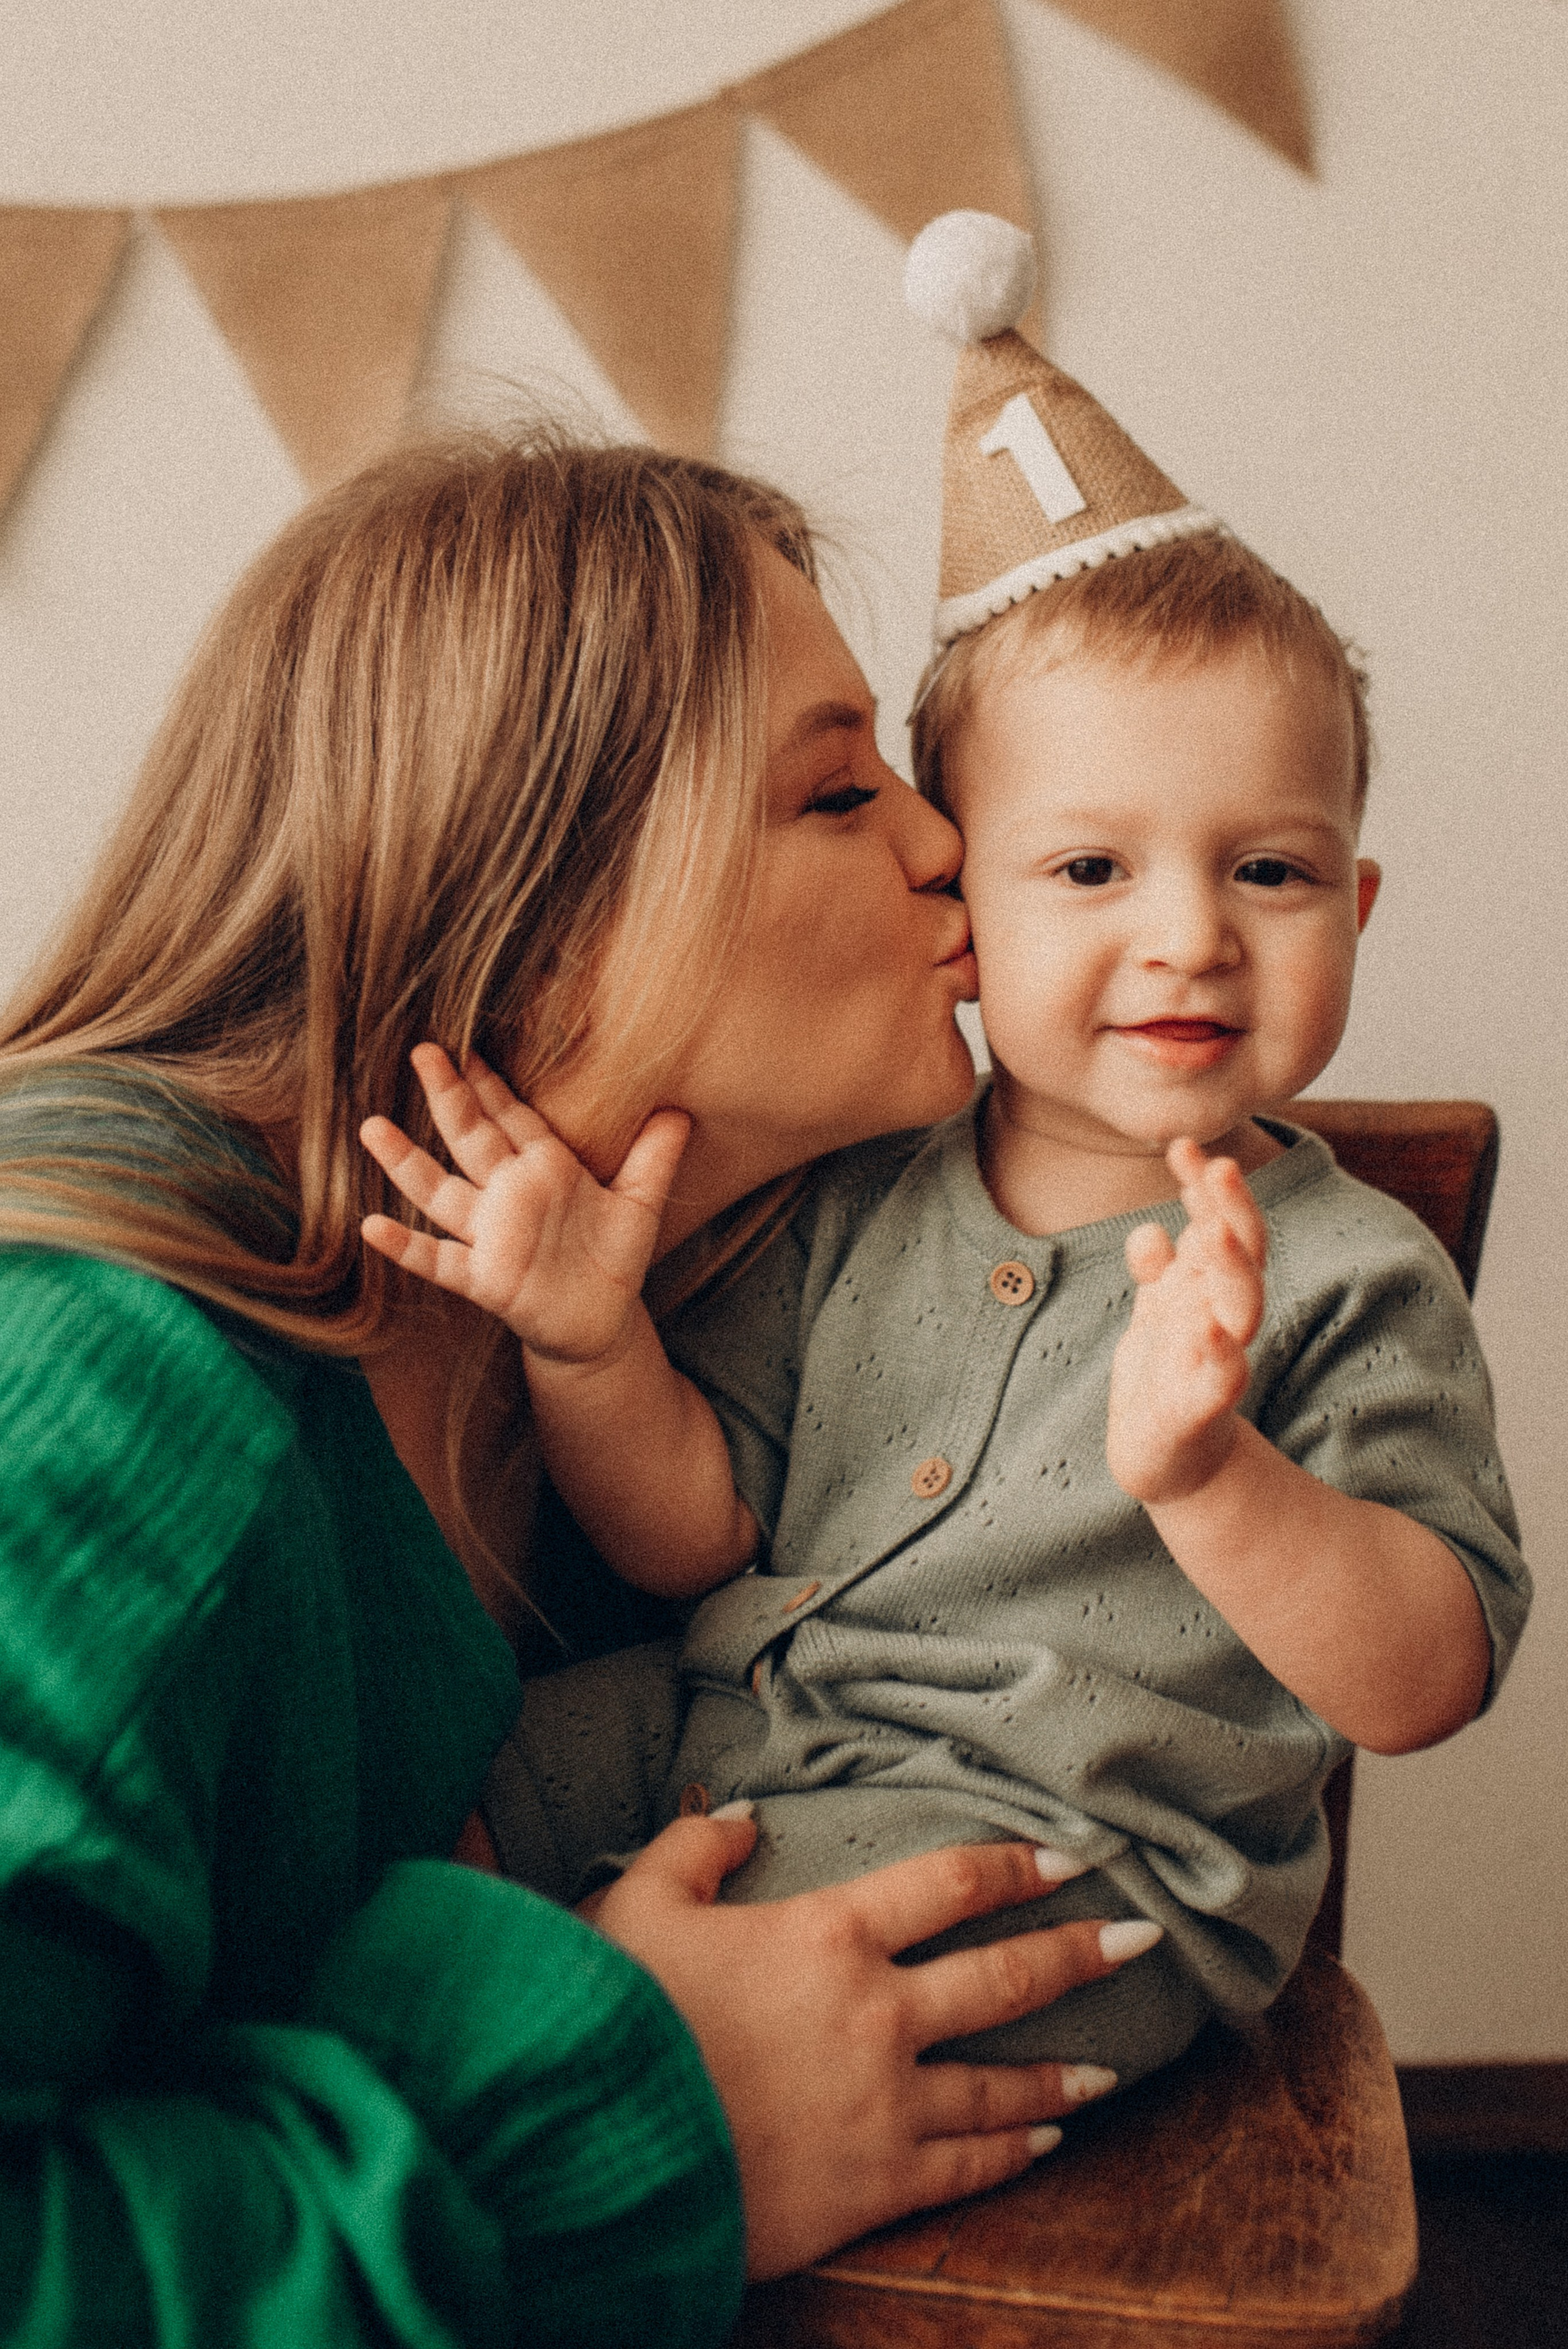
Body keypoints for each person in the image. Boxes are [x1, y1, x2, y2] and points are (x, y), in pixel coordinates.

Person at [0, 429, 1163, 2348]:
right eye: (832, 787)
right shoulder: (101, 1380)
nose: (948, 840)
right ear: (529, 904)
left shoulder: (635, 1355)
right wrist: (627, 2120)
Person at [362, 221, 1529, 2095]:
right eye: (1092, 868)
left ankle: (532, 2119)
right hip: (732, 1720)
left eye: (1271, 870)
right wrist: (591, 1343)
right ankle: (362, 2094)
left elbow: (1426, 1678)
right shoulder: (854, 1203)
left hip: (1060, 1835)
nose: (1188, 936)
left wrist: (1211, 1474)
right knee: (437, 1777)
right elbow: (706, 1532)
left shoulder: (1341, 1273)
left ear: (1356, 906)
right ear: (961, 895)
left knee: (705, 1973)